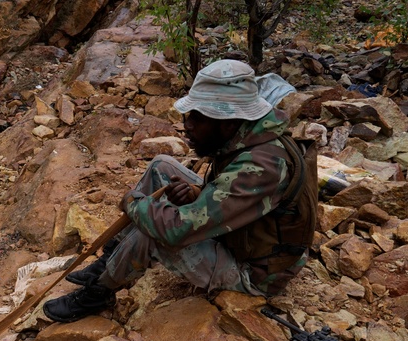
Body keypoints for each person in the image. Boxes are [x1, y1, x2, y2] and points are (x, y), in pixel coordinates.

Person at [43, 59, 318, 323]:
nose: (187, 126)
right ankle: (111, 259)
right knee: (162, 166)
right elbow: (233, 196)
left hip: (257, 273)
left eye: (198, 118)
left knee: (154, 234)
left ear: (229, 122)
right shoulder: (247, 136)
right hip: (243, 237)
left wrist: (132, 202)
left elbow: (177, 230)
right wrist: (196, 193)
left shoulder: (261, 166)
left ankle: (98, 293)